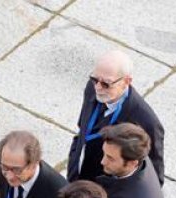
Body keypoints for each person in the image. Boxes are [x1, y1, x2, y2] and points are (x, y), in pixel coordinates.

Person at [66, 49, 164, 184]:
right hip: (76, 177)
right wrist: (73, 161)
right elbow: (82, 130)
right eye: (94, 79)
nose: (98, 88)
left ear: (126, 81)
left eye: (106, 84)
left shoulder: (145, 121)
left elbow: (153, 178)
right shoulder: (92, 88)